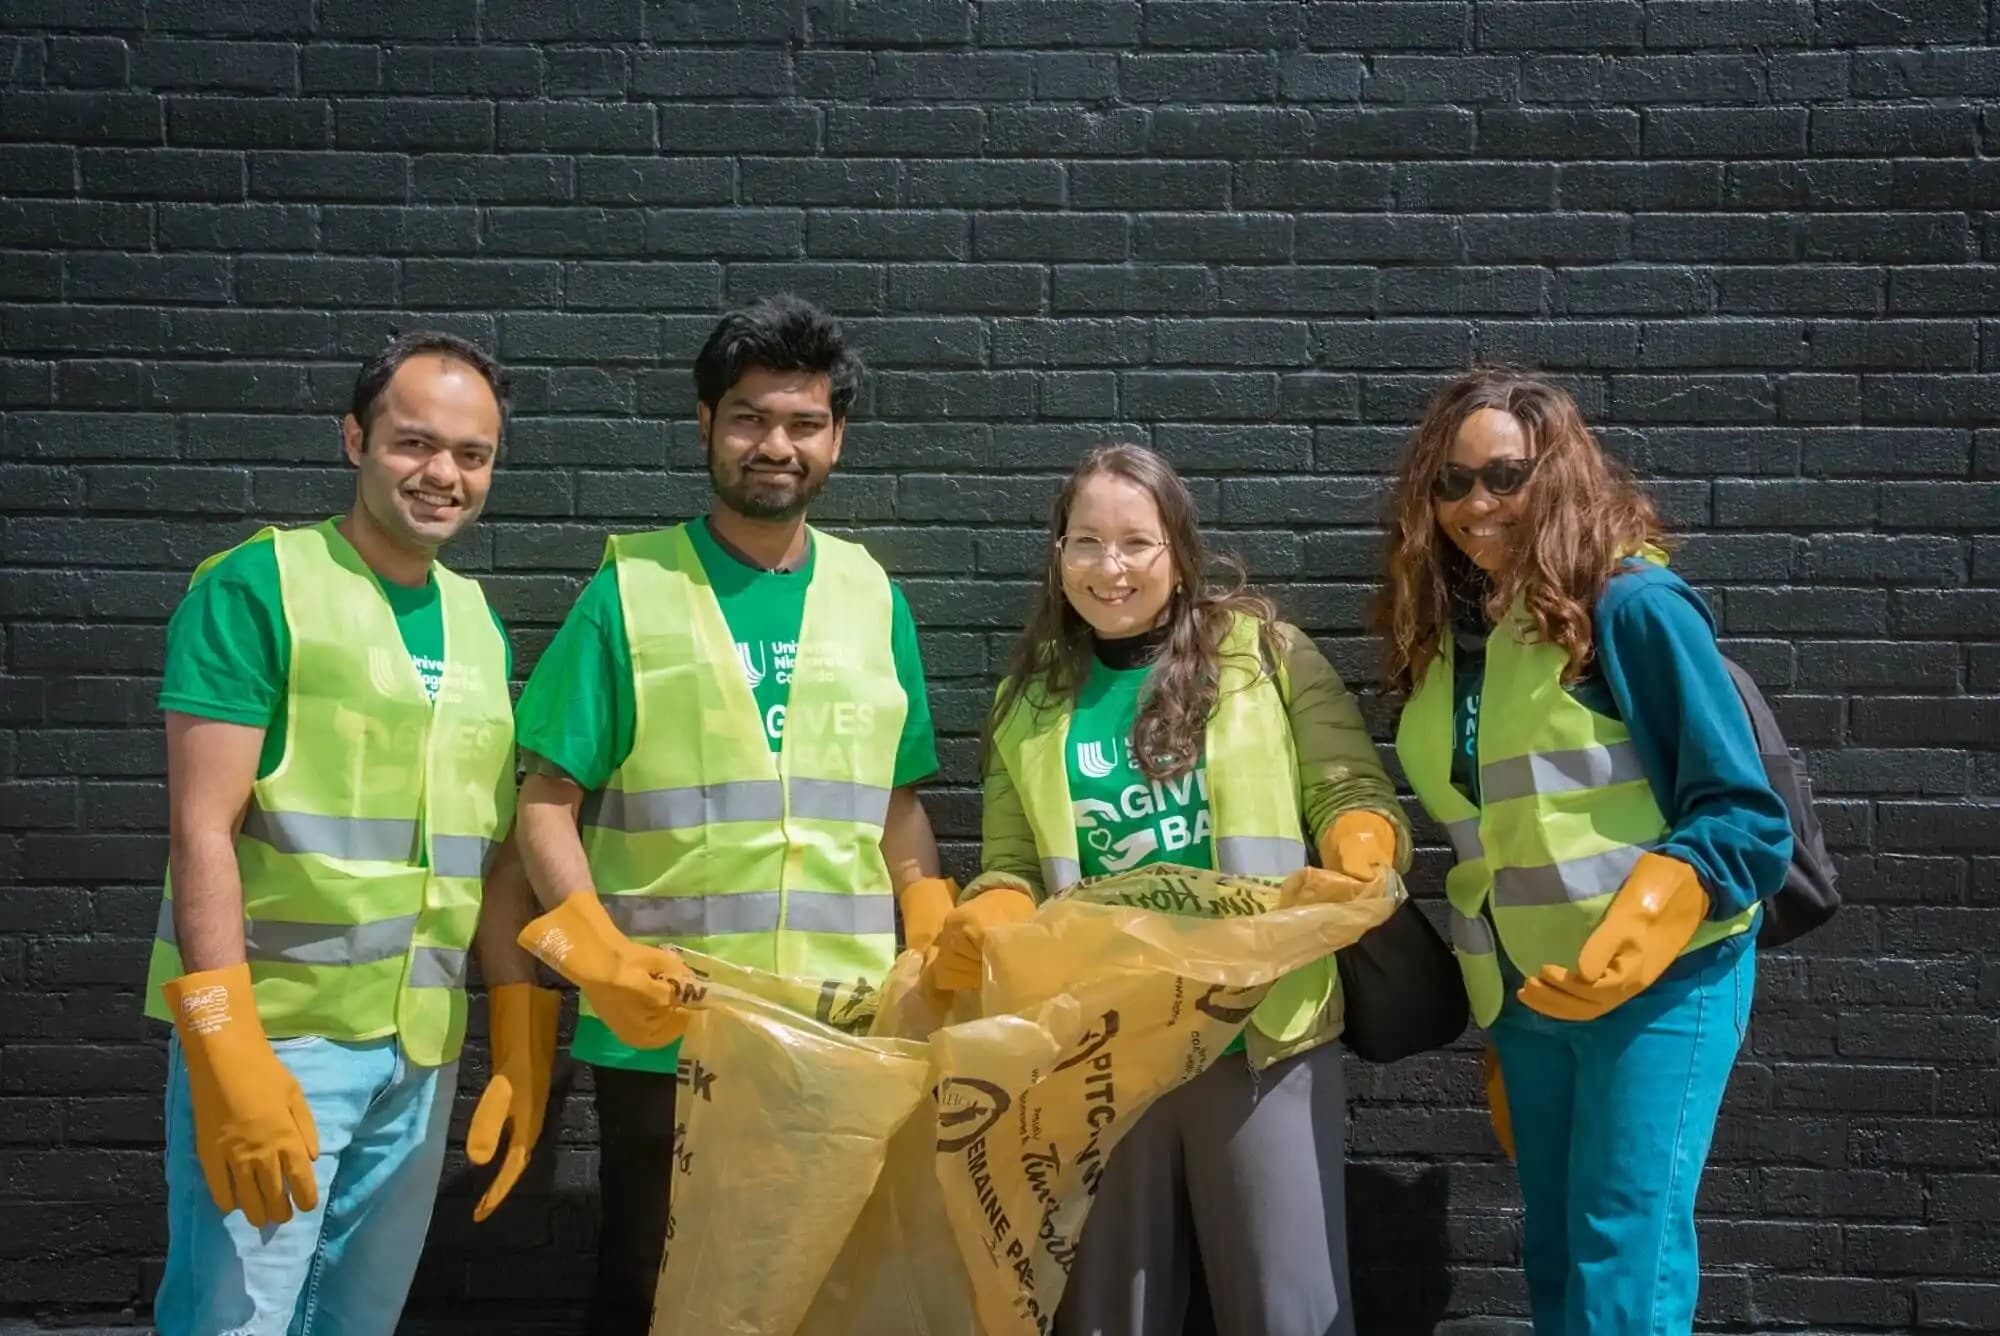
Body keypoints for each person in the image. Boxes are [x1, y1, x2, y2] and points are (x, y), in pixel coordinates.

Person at [507, 295, 955, 1335]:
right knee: (648, 1296)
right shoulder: (629, 590)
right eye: (750, 417)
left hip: (834, 1030)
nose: (776, 445)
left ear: (835, 438)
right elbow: (544, 802)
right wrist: (597, 952)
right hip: (666, 1031)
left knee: (820, 1297)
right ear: (704, 423)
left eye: (802, 422)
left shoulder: (870, 592)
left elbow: (894, 801)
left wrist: (926, 907)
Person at [926, 442, 1408, 1336]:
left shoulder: (1266, 656)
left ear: (1179, 553)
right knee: (1110, 1314)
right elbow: (1014, 865)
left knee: (1286, 1308)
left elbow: (1350, 788)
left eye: (1135, 542)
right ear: (1057, 554)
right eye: (1085, 542)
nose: (1110, 568)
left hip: (1261, 1038)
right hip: (1105, 1049)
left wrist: (1361, 845)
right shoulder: (1027, 701)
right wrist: (988, 911)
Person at [144, 332, 555, 1334]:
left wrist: (517, 1024)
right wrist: (223, 1043)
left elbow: (490, 850)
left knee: (353, 1320)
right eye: (414, 443)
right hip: (280, 1038)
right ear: (354, 440)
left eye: (472, 454)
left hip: (417, 1053)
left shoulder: (475, 622)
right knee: (234, 1321)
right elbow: (203, 825)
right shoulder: (257, 587)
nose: (443, 475)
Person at [1377, 366, 1793, 1334]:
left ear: (1557, 474)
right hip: (1532, 999)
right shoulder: (1454, 637)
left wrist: (1654, 915)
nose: (1475, 504)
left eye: (1503, 476)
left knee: (1623, 1258)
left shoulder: (1631, 607)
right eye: (1450, 483)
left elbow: (1742, 813)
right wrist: (1503, 1022)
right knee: (1557, 1254)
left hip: (1662, 983)